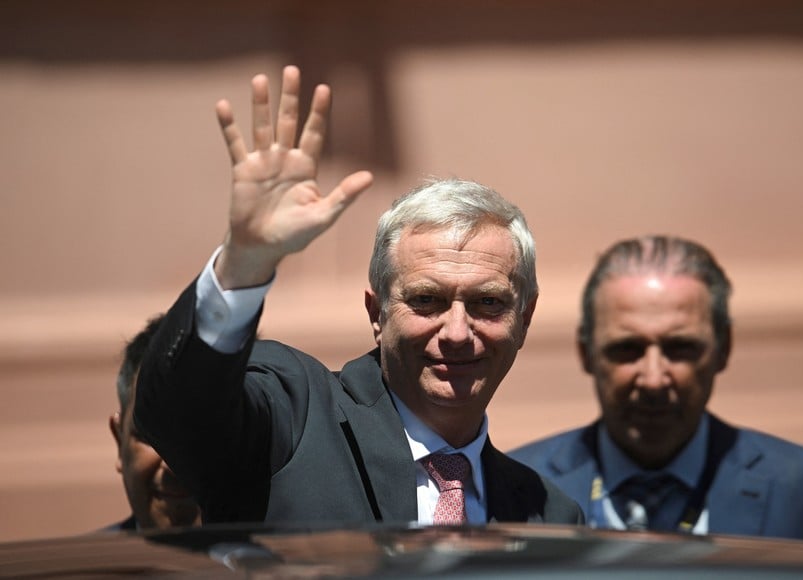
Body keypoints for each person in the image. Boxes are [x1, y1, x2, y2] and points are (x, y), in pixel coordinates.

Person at [133, 65, 583, 527]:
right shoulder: (294, 414)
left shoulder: (550, 516)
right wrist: (243, 263)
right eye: (426, 300)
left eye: (488, 303)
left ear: (524, 319)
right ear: (377, 312)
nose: (456, 333)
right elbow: (176, 415)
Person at [509, 235, 803, 540]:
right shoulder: (514, 490)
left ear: (723, 349)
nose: (653, 379)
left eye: (680, 349)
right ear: (585, 354)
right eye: (627, 350)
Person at [108, 314, 201, 531]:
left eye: (202, 435)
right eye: (150, 435)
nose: (172, 464)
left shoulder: (292, 562)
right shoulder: (85, 564)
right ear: (119, 441)